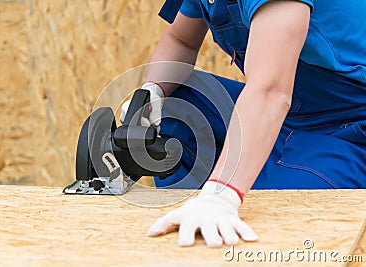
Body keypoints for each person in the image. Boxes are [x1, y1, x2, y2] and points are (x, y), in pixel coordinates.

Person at [120, 0, 366, 248]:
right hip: (284, 115)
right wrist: (154, 91)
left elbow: (271, 92)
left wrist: (220, 196)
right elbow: (180, 40)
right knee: (176, 106)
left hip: (349, 131)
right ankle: (190, 220)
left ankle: (217, 207)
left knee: (284, 212)